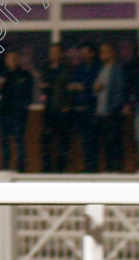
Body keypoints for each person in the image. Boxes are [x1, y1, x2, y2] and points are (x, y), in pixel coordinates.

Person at [0, 51, 33, 172]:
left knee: (19, 141)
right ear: (6, 61)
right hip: (4, 113)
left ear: (18, 60)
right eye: (10, 59)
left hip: (18, 114)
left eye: (15, 59)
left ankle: (21, 170)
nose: (12, 61)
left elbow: (29, 94)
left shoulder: (25, 75)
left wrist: (23, 107)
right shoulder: (2, 75)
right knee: (5, 143)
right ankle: (5, 168)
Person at [92, 43, 127, 172]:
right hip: (101, 112)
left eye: (105, 52)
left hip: (111, 112)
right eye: (101, 52)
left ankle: (116, 168)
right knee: (106, 142)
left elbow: (119, 90)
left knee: (114, 141)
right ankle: (109, 168)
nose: (103, 55)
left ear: (112, 52)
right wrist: (96, 89)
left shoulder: (117, 69)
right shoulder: (102, 68)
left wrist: (114, 108)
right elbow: (97, 88)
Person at [67, 43, 100, 172]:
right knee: (84, 140)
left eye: (86, 52)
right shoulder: (79, 68)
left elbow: (94, 86)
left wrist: (84, 87)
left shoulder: (97, 67)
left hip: (91, 108)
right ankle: (87, 167)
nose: (83, 55)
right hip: (79, 109)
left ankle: (93, 167)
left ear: (92, 53)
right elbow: (74, 84)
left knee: (93, 140)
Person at [40, 43, 71, 173]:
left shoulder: (66, 69)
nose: (55, 55)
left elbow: (69, 90)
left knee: (62, 142)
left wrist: (66, 106)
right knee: (46, 141)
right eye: (52, 52)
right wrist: (43, 88)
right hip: (49, 110)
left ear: (61, 54)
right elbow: (43, 90)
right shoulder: (46, 69)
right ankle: (47, 170)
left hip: (62, 110)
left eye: (57, 52)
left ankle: (61, 170)